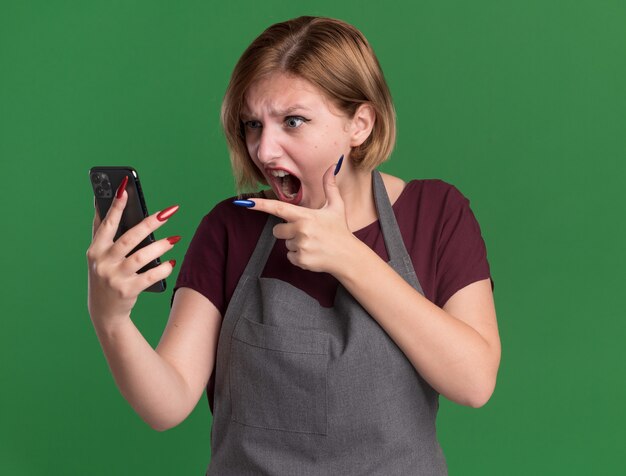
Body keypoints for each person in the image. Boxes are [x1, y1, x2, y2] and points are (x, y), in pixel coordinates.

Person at [87, 16, 500, 475]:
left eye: (293, 121)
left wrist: (349, 257)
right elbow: (168, 402)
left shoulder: (436, 213)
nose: (264, 150)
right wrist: (110, 319)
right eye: (252, 125)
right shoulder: (230, 228)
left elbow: (474, 381)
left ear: (360, 124)